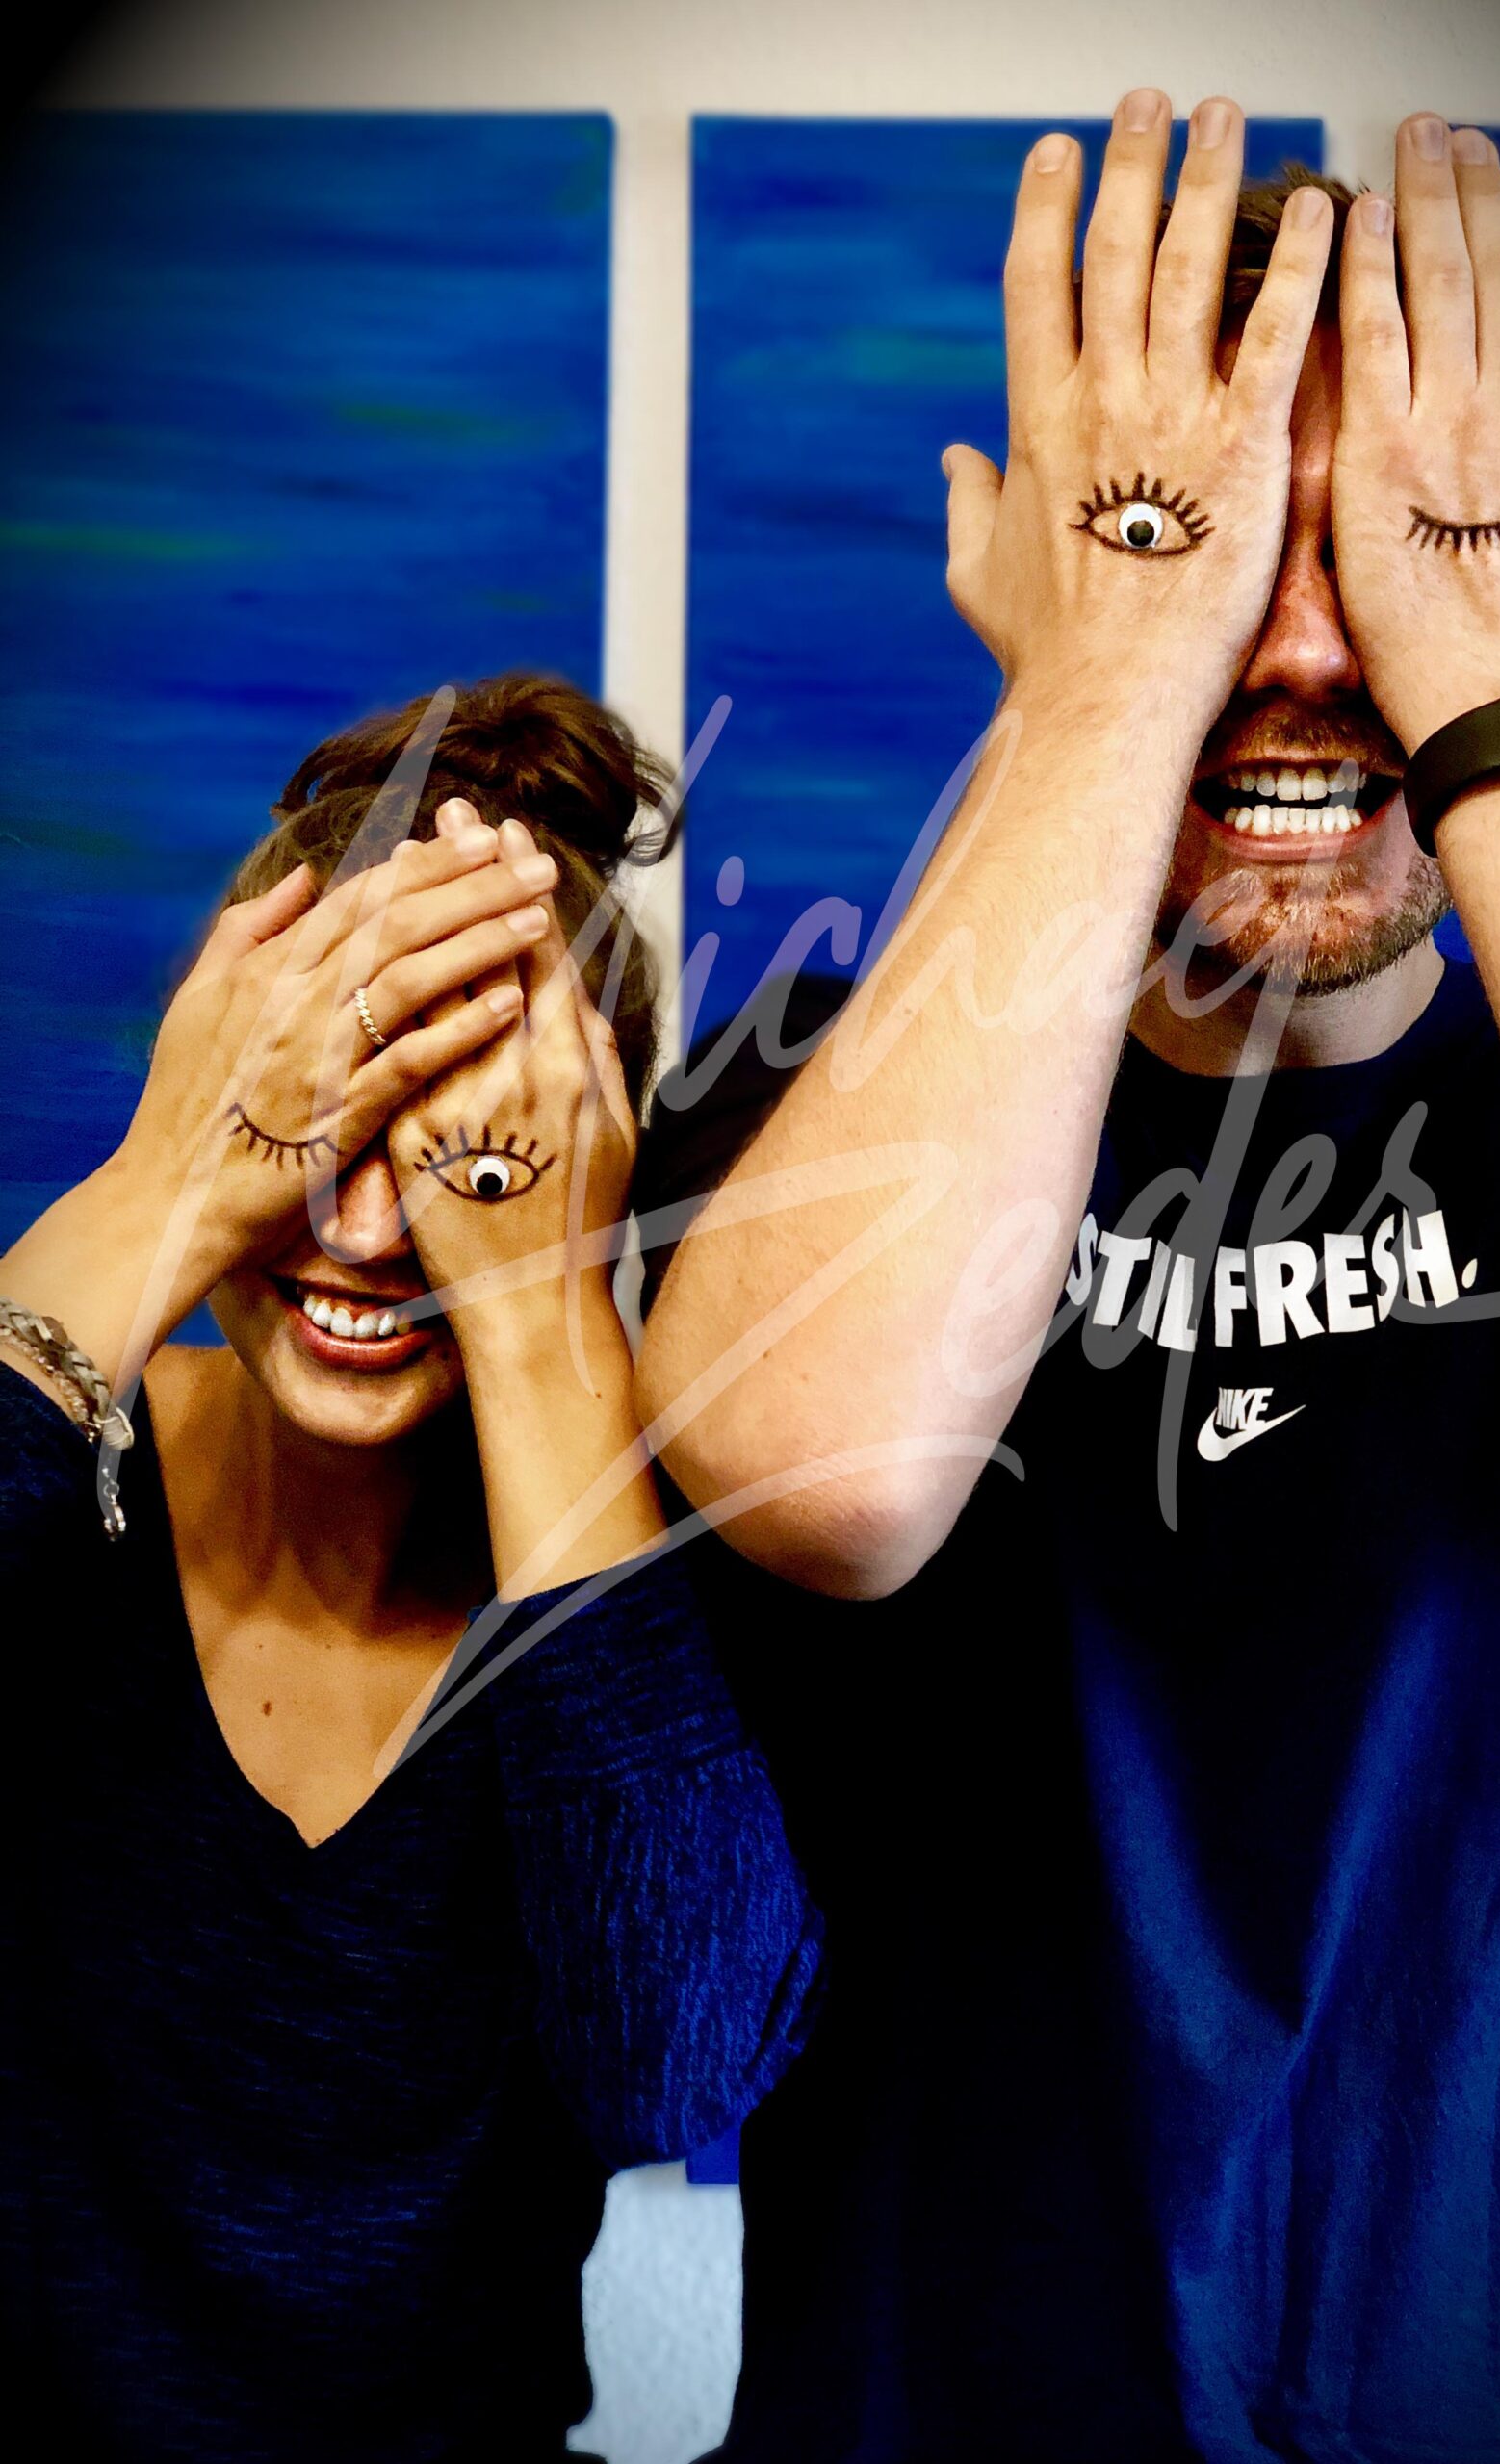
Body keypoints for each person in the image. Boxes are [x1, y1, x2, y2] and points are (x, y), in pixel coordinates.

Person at [633, 95, 1500, 2463]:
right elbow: (829, 1480)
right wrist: (1107, 681)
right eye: (1188, 540)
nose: (1298, 640)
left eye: (1394, 543)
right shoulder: (801, 1095)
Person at [0, 674, 824, 2464]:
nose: (370, 1226)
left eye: (464, 1147)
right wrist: (161, 1187)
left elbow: (670, 2070)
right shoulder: (59, 1490)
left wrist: (543, 1308)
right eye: (316, 1116)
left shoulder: (642, 1596)